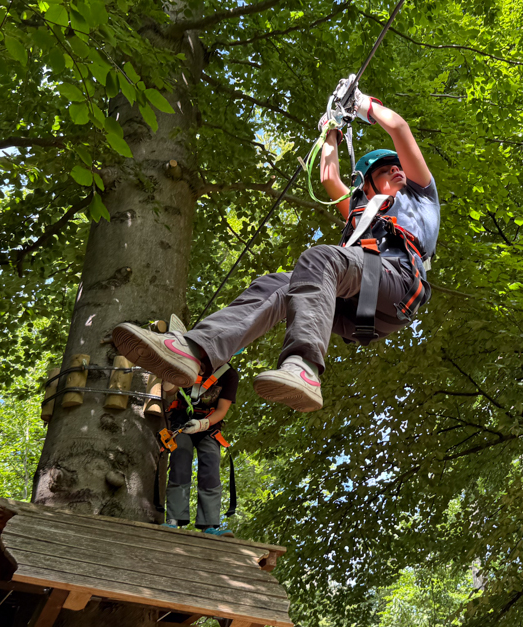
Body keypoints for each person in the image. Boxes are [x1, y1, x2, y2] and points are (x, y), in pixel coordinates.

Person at [113, 87, 439, 412]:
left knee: (320, 259)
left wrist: (361, 104)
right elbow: (329, 177)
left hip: (398, 282)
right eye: (384, 170)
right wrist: (331, 131)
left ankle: (304, 367)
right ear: (365, 186)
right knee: (276, 284)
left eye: (399, 167)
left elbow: (398, 128)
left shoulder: (420, 197)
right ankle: (194, 350)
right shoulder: (361, 213)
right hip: (355, 307)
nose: (397, 170)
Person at [163, 364, 239, 537]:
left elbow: (221, 410)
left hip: (209, 427)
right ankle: (174, 519)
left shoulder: (229, 375)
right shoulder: (189, 361)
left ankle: (209, 524)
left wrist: (203, 424)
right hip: (182, 422)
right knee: (180, 460)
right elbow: (169, 389)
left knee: (211, 469)